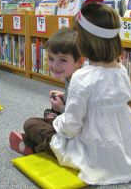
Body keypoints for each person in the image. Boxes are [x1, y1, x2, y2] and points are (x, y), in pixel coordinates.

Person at [11, 2, 131, 185]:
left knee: (32, 124)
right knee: (51, 121)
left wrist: (57, 120)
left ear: (83, 42)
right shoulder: (121, 71)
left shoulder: (82, 77)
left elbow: (71, 127)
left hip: (92, 155)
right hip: (120, 151)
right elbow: (103, 102)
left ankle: (32, 144)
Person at [9, 27, 85, 155]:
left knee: (30, 124)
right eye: (51, 59)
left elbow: (80, 122)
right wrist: (64, 96)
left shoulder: (82, 83)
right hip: (74, 129)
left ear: (79, 61)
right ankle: (36, 142)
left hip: (82, 139)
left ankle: (39, 146)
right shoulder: (73, 74)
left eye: (63, 60)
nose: (54, 66)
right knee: (39, 124)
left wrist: (62, 108)